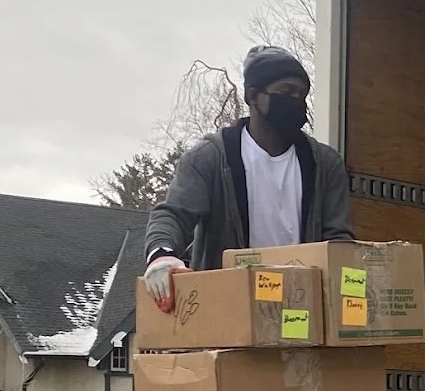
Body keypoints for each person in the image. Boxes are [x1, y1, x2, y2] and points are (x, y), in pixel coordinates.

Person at [144, 46, 354, 311]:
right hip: (228, 309)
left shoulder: (324, 164)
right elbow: (174, 214)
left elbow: (338, 240)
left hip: (298, 308)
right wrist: (161, 255)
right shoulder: (211, 157)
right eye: (287, 91)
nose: (296, 101)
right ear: (253, 96)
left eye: (301, 94)